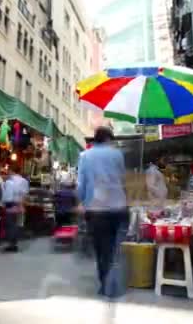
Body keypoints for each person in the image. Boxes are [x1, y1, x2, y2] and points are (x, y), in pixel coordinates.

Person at [77, 126, 128, 298]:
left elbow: (81, 184)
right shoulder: (117, 154)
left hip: (96, 209)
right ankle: (113, 282)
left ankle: (105, 283)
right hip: (118, 207)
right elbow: (122, 179)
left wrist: (82, 203)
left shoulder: (85, 156)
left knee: (101, 249)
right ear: (108, 139)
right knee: (114, 247)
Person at [0, 163, 29, 252]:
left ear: (12, 171)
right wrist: (22, 205)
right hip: (19, 205)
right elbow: (24, 195)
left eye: (9, 170)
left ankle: (12, 245)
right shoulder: (24, 181)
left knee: (10, 225)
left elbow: (7, 196)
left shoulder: (9, 181)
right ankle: (14, 244)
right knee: (16, 225)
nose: (8, 172)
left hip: (11, 205)